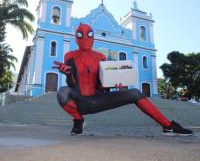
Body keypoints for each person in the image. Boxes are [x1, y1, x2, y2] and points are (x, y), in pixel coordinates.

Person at [52, 23, 193, 136]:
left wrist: (113, 83)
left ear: (93, 37)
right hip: (80, 100)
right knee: (62, 91)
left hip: (98, 99)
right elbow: (72, 85)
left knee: (136, 93)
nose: (85, 38)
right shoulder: (69, 56)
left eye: (88, 34)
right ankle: (78, 120)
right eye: (80, 34)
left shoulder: (100, 57)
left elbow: (103, 86)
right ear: (76, 37)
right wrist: (68, 74)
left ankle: (168, 126)